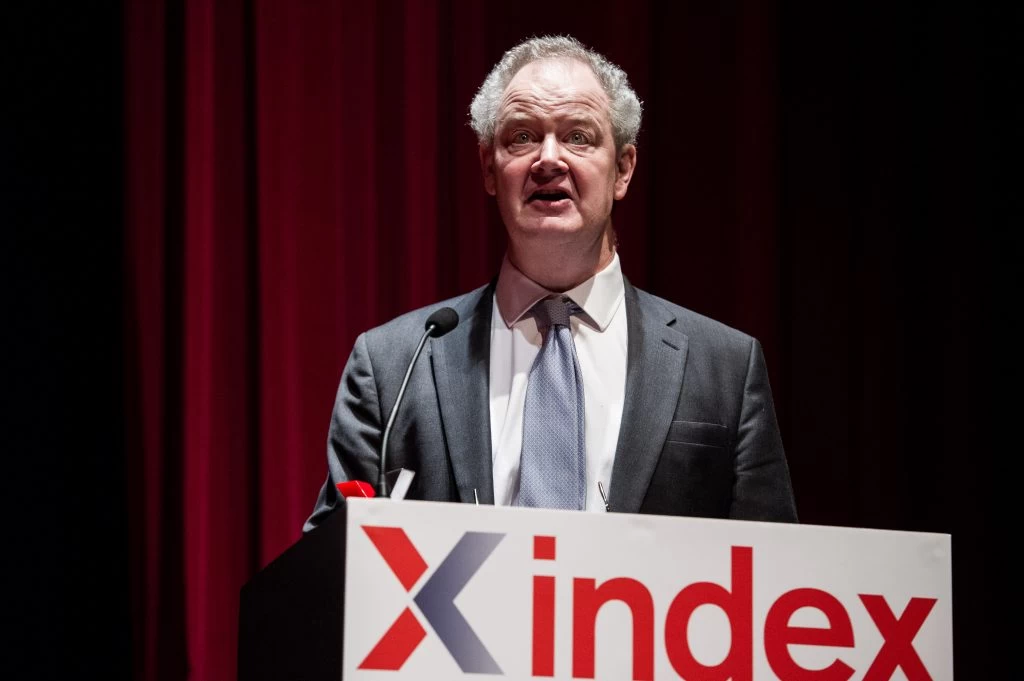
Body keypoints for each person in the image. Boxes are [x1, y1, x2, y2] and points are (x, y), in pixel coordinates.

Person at [303, 35, 796, 531]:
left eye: (578, 136)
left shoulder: (725, 368)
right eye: (521, 137)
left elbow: (774, 564)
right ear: (489, 168)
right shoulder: (392, 366)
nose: (548, 159)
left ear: (623, 170)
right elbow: (329, 562)